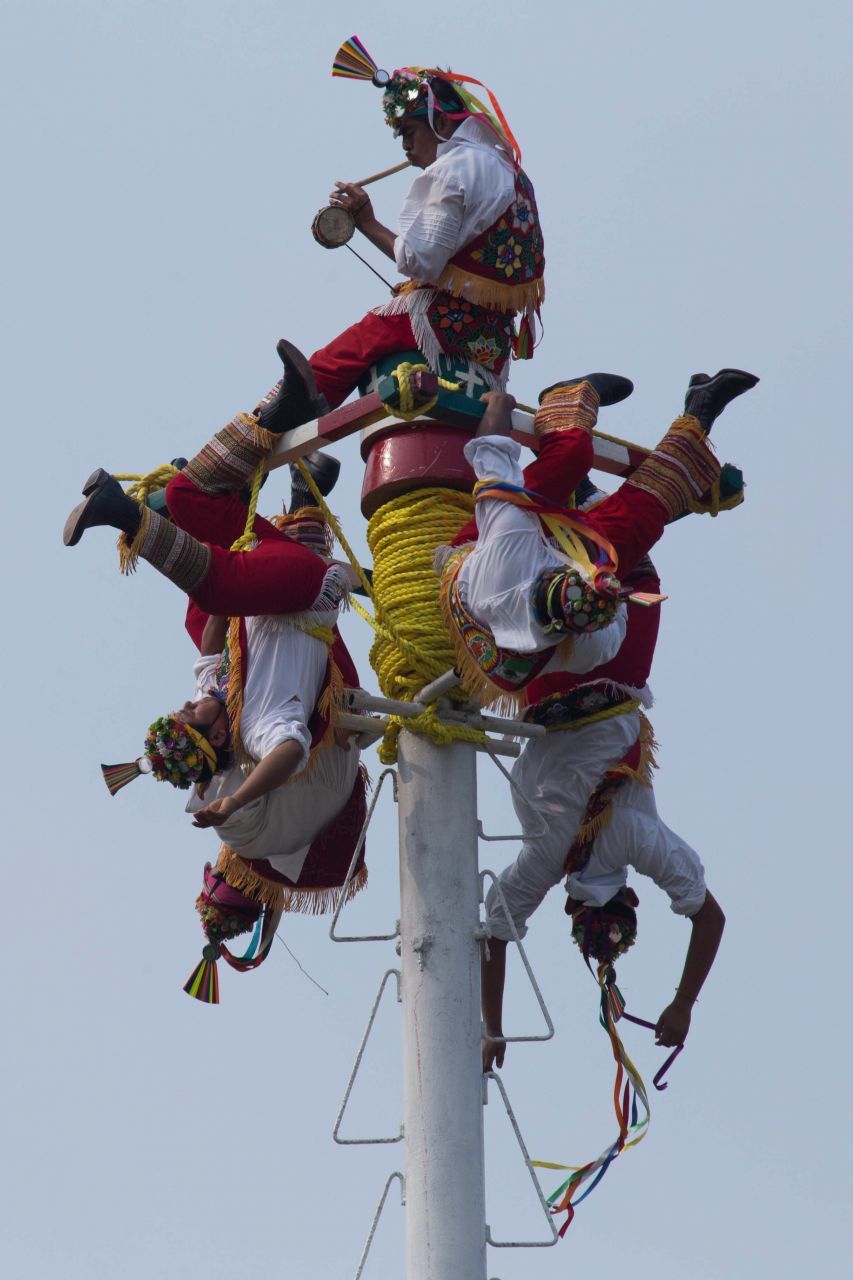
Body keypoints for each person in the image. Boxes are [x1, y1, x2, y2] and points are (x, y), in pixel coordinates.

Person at [474, 367, 759, 1069]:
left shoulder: (632, 840)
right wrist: (490, 1026)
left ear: (626, 897)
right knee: (604, 541)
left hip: (609, 675)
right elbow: (493, 935)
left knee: (628, 544)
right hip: (551, 683)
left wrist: (684, 1000)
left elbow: (709, 918)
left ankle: (688, 415)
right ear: (572, 904)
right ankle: (623, 428)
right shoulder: (550, 862)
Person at [64, 341, 363, 835]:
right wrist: (237, 801)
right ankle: (122, 512)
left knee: (188, 498)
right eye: (189, 717)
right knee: (215, 593)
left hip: (270, 581)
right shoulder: (258, 730)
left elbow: (208, 646)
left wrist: (214, 543)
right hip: (306, 592)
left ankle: (284, 412)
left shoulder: (213, 693)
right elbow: (290, 754)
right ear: (220, 733)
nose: (184, 706)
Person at [438, 368, 757, 707]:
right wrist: (605, 582)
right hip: (560, 610)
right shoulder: (592, 642)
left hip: (476, 568)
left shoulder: (506, 554)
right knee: (640, 522)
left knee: (570, 457)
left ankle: (567, 396)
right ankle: (699, 411)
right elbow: (618, 596)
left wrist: (498, 408)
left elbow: (493, 465)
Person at [310, 61, 545, 407]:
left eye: (409, 132)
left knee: (325, 367)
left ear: (441, 121)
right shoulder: (510, 171)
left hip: (441, 327)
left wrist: (367, 222)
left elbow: (420, 261)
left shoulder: (450, 171)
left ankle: (271, 434)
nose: (405, 146)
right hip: (491, 344)